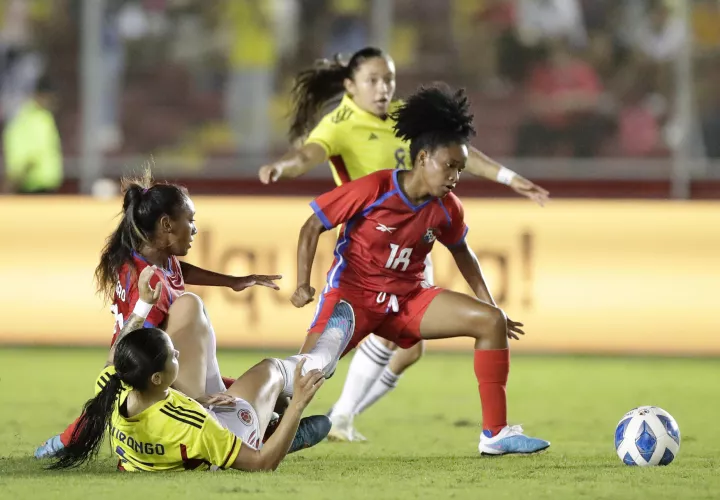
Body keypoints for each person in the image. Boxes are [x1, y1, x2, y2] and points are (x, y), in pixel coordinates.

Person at [258, 47, 550, 441]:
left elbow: (462, 250)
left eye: (388, 80)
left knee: (489, 323)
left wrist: (489, 302)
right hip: (355, 294)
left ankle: (495, 435)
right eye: (373, 80)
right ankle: (258, 421)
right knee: (308, 372)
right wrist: (303, 283)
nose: (456, 177)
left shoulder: (445, 201)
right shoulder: (367, 173)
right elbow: (312, 211)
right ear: (424, 158)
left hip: (407, 294)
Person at [34, 171, 284, 459]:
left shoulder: (153, 257)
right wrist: (191, 399)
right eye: (190, 221)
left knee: (268, 396)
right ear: (166, 224)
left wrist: (232, 281)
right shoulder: (150, 283)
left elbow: (180, 271)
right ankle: (68, 440)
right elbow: (142, 357)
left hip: (153, 366)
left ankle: (65, 440)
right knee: (253, 395)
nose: (195, 229)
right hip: (145, 373)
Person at [49, 266, 357, 471]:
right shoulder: (192, 424)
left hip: (177, 432)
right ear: (157, 378)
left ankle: (273, 420)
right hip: (222, 440)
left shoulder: (116, 386)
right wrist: (298, 406)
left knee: (188, 304)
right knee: (271, 370)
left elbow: (118, 353)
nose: (178, 352)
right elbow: (261, 464)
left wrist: (142, 305)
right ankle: (318, 365)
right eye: (173, 356)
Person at [2, 75, 63, 194]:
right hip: (34, 186)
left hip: (30, 183)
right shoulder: (38, 119)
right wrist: (13, 183)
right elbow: (33, 155)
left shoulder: (26, 118)